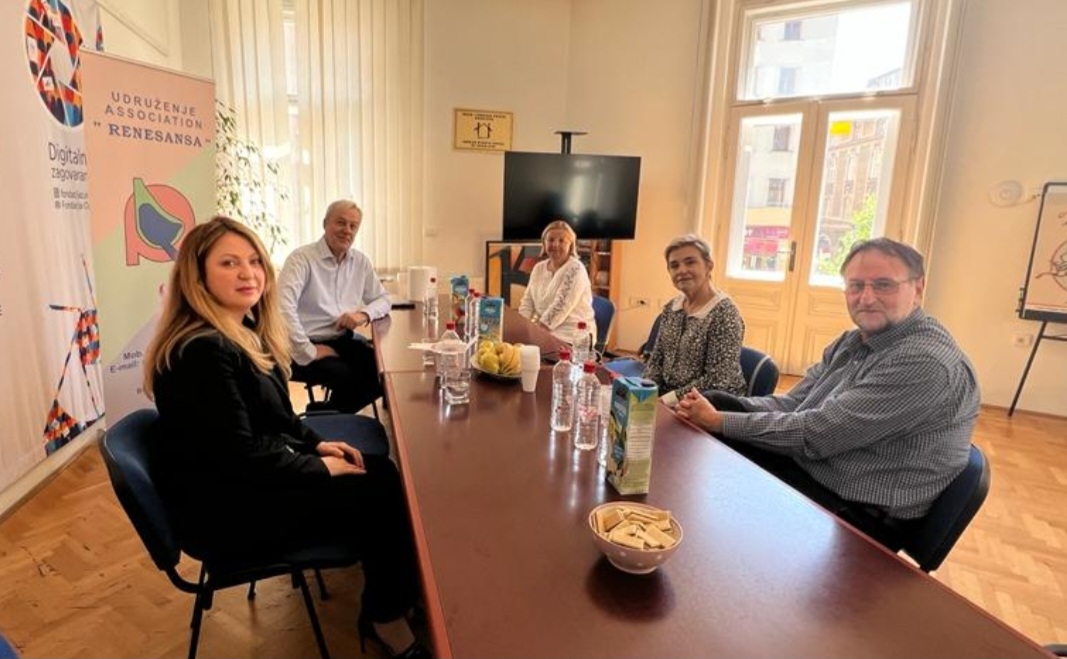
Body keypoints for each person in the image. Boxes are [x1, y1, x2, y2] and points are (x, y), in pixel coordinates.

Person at [145, 217, 428, 658]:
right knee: (380, 489)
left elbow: (274, 416)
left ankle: (395, 595)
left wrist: (316, 444)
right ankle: (386, 616)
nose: (248, 273)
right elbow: (238, 457)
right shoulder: (203, 351)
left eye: (254, 261)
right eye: (229, 263)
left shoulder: (235, 333)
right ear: (197, 277)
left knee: (380, 475)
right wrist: (318, 468)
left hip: (246, 484)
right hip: (231, 513)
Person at [676, 237, 980, 548]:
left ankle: (687, 539)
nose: (867, 297)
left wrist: (718, 421)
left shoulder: (924, 361)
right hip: (820, 468)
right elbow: (795, 403)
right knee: (717, 403)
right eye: (856, 285)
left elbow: (816, 435)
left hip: (859, 513)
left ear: (918, 288)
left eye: (884, 285)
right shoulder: (855, 341)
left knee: (716, 445)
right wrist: (721, 411)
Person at [278, 199, 389, 413]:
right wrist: (310, 351)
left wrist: (363, 314)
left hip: (340, 339)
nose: (347, 230)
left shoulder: (360, 262)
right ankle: (328, 420)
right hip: (299, 343)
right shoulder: (301, 259)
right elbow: (282, 309)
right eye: (341, 222)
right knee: (345, 376)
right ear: (325, 224)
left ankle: (323, 415)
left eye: (353, 226)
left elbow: (383, 299)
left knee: (382, 372)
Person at [638, 234, 747, 405]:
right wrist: (644, 393)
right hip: (669, 399)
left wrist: (665, 401)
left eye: (690, 262)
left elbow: (718, 381)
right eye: (674, 265)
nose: (682, 270)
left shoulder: (724, 314)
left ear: (708, 266)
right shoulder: (671, 308)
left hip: (710, 404)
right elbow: (656, 361)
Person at [517, 220, 596, 346]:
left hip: (573, 335)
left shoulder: (576, 269)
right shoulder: (538, 268)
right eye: (551, 240)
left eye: (561, 241)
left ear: (571, 244)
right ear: (544, 243)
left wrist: (535, 333)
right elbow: (527, 302)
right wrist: (520, 327)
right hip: (545, 332)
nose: (555, 244)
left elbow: (561, 306)